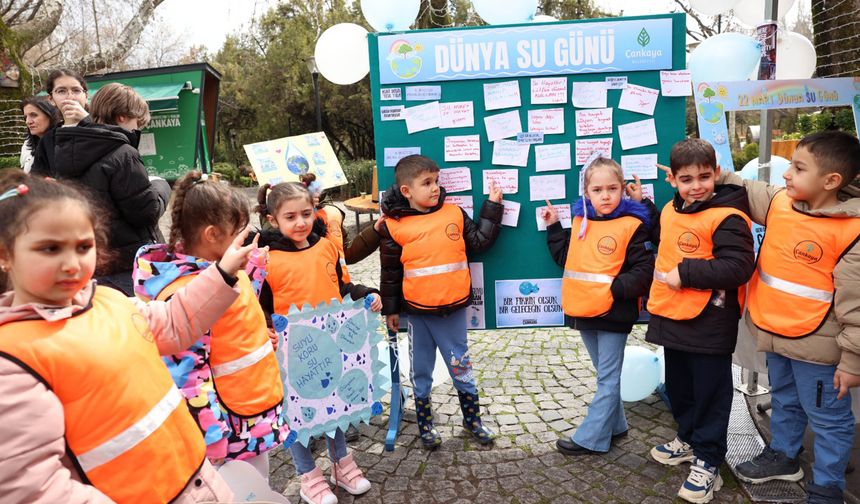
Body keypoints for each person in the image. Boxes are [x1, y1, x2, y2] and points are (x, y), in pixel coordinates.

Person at [0, 171, 261, 502]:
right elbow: (33, 487)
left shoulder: (107, 301)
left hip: (199, 482)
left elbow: (175, 321)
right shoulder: (12, 360)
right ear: (5, 255)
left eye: (83, 246)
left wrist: (222, 272)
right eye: (50, 248)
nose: (71, 264)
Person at [722, 131, 860, 504]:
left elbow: (856, 307)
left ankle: (827, 487)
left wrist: (851, 361)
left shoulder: (852, 230)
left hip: (819, 347)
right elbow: (749, 189)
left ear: (831, 181)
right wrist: (710, 172)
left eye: (798, 168)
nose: (786, 174)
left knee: (829, 419)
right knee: (783, 397)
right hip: (776, 333)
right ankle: (784, 456)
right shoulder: (781, 201)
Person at [132, 171, 292, 480]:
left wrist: (257, 332)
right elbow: (187, 375)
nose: (244, 240)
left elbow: (235, 313)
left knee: (258, 482)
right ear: (211, 235)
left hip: (249, 408)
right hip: (229, 429)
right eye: (238, 233)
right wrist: (213, 440)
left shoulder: (225, 270)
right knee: (246, 488)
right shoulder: (188, 294)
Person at [643, 139, 755, 503]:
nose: (696, 186)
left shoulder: (728, 216)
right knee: (680, 387)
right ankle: (688, 440)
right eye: (686, 179)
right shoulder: (670, 209)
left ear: (717, 173)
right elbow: (666, 244)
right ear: (672, 179)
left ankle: (709, 461)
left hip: (710, 321)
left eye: (704, 177)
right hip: (673, 315)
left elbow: (738, 267)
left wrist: (686, 273)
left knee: (710, 394)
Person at [256, 181, 380, 504]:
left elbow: (342, 287)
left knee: (333, 405)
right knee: (297, 415)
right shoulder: (266, 261)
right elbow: (257, 306)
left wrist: (367, 296)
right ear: (273, 221)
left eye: (306, 214)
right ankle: (308, 475)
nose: (300, 222)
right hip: (290, 354)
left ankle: (341, 463)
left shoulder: (326, 247)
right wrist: (262, 328)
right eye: (291, 217)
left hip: (328, 347)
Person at [378, 154, 503, 449]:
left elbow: (480, 242)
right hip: (418, 314)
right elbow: (391, 272)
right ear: (407, 191)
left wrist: (493, 206)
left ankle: (472, 420)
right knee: (421, 369)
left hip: (453, 311)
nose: (435, 188)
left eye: (436, 181)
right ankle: (426, 425)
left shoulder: (454, 213)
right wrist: (391, 309)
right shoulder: (395, 226)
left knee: (461, 366)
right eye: (427, 183)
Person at [540, 157, 655, 456]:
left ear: (623, 191)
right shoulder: (581, 223)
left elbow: (644, 271)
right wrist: (554, 227)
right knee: (606, 374)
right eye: (597, 189)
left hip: (613, 313)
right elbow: (566, 258)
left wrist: (613, 290)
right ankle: (616, 426)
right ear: (586, 193)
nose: (605, 195)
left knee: (607, 377)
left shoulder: (633, 225)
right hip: (583, 311)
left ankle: (592, 438)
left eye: (612, 188)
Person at [41, 82, 164, 295]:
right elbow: (145, 213)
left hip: (93, 265)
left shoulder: (67, 148)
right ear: (122, 118)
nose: (137, 129)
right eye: (137, 122)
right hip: (128, 266)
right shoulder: (123, 152)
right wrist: (161, 187)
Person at [30, 68, 91, 176]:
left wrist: (87, 120)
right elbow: (37, 178)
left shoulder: (105, 129)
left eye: (76, 90)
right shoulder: (48, 140)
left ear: (86, 96)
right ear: (51, 99)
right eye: (61, 91)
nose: (70, 97)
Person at [19, 96, 60, 173]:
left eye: (34, 115)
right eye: (25, 117)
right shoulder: (27, 144)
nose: (28, 121)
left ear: (50, 116)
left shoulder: (62, 143)